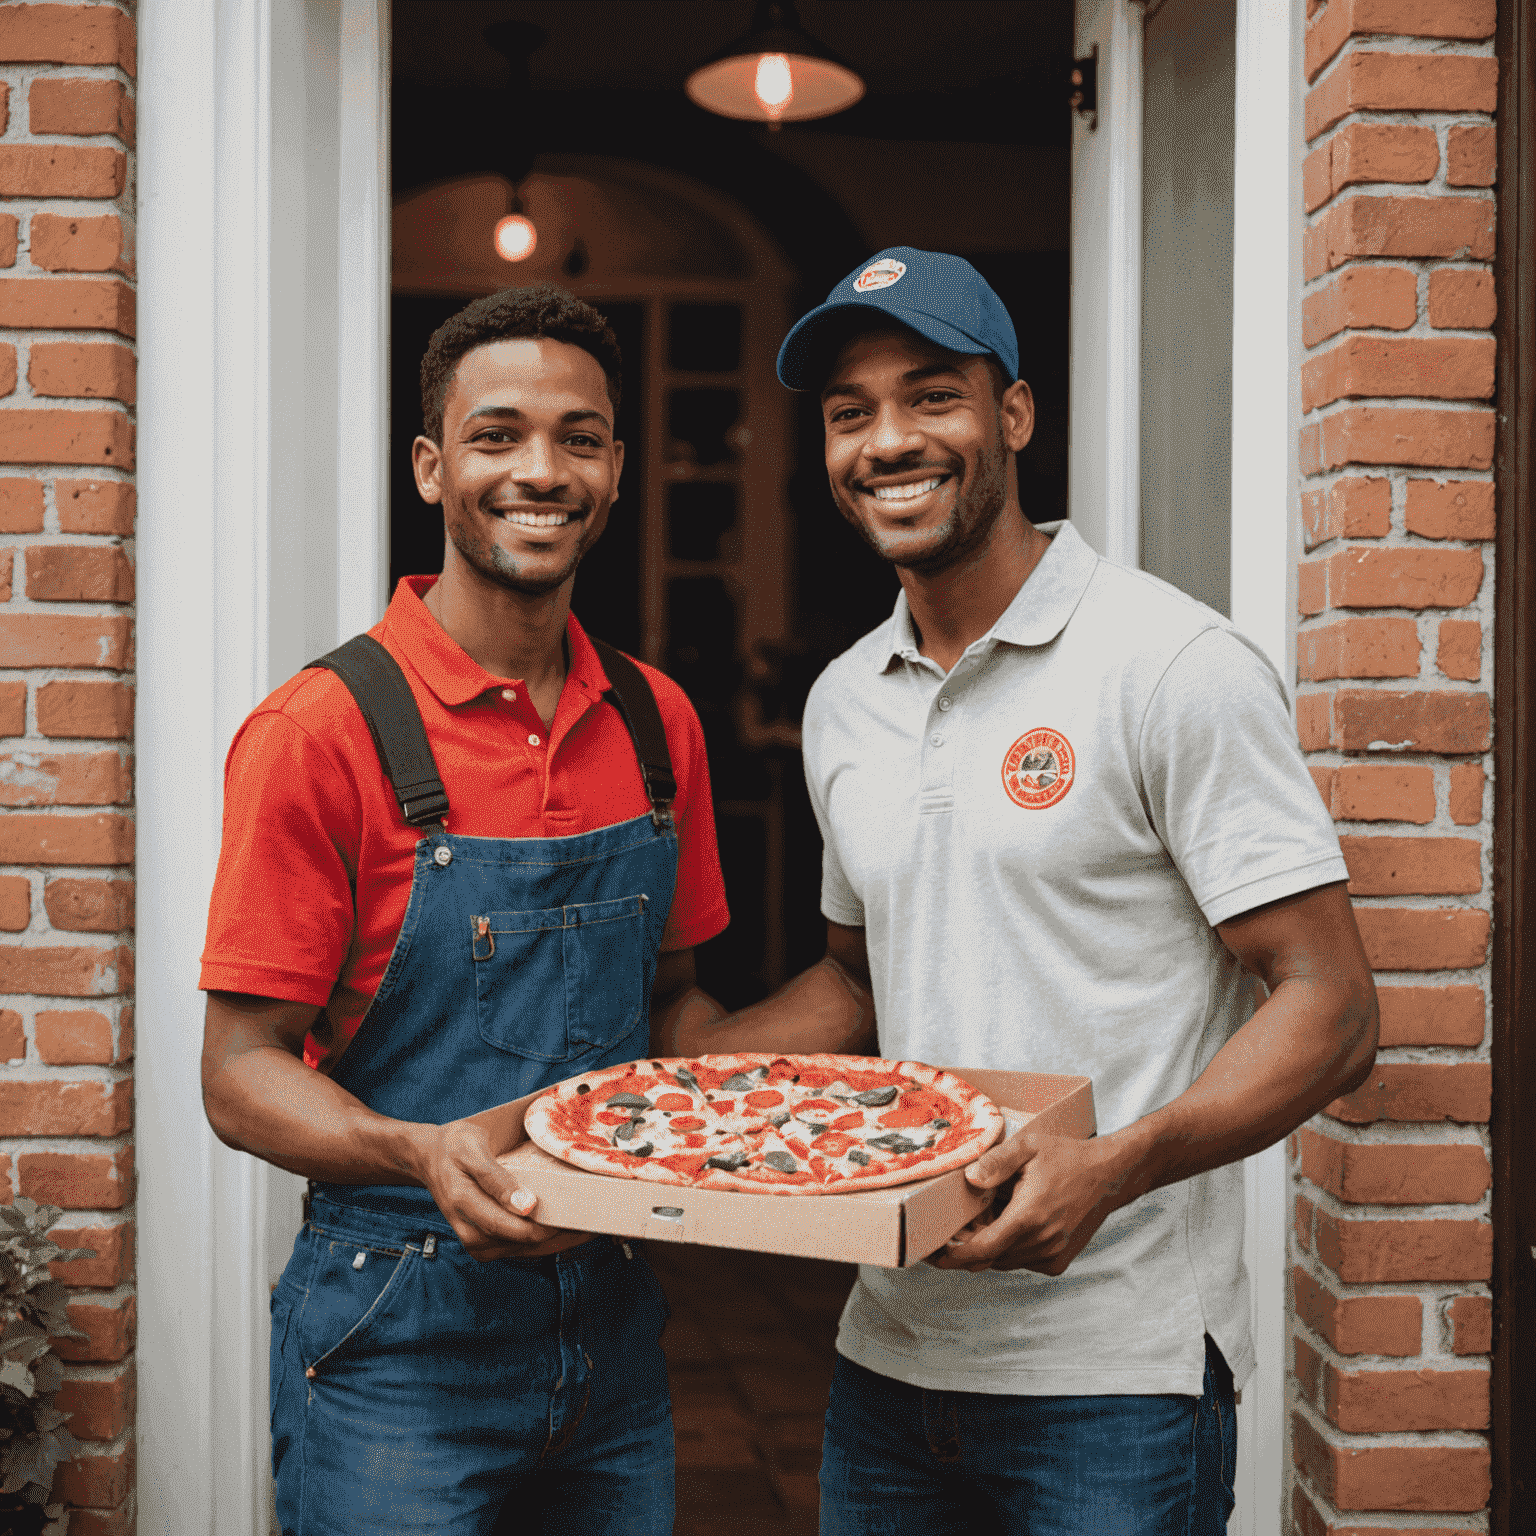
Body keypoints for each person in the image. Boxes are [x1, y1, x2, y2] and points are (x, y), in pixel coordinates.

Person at [664, 248, 1379, 1535]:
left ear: (1014, 415)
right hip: (888, 1359)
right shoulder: (843, 700)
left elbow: (1329, 1005)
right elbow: (856, 978)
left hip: (1118, 1380)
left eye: (931, 395)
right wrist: (676, 1083)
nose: (888, 441)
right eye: (849, 413)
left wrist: (1112, 1167)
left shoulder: (1171, 663)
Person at [199, 285, 730, 1536]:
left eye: (579, 437)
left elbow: (675, 1012)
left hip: (610, 1329)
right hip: (396, 1332)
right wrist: (420, 1152)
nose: (539, 470)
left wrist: (856, 1016)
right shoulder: (319, 732)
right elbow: (239, 1074)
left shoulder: (661, 724)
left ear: (616, 469)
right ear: (433, 468)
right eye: (497, 436)